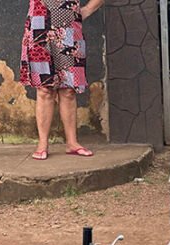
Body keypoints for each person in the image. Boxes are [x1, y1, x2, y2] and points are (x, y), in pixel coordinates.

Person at [19, 0, 103, 160]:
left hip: (70, 30)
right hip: (39, 28)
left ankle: (72, 143)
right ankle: (42, 144)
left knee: (69, 90)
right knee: (44, 89)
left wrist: (87, 10)